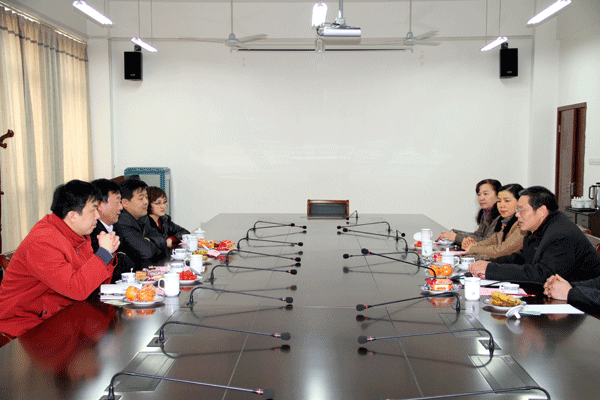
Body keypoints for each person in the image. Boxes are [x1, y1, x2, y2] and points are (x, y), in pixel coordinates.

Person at [0, 180, 119, 339]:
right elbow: (76, 288)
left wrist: (107, 255)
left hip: (60, 315)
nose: (98, 216)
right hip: (26, 325)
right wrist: (103, 254)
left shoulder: (78, 236)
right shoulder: (43, 242)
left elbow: (92, 287)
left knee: (111, 334)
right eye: (93, 210)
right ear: (73, 216)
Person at [469, 186, 600, 283]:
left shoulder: (560, 234)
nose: (517, 215)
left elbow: (544, 275)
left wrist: (492, 270)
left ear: (542, 211)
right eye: (517, 210)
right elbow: (523, 258)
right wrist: (489, 264)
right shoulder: (540, 226)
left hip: (578, 303)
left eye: (522, 210)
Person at [114, 179, 167, 269]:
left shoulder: (143, 217)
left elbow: (162, 239)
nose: (146, 202)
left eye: (146, 197)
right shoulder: (122, 222)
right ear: (125, 203)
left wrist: (148, 241)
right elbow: (146, 252)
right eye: (141, 198)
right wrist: (151, 243)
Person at [462, 183, 525, 258]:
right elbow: (492, 241)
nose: (501, 205)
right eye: (499, 201)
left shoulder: (522, 224)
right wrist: (473, 244)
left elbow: (501, 251)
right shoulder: (504, 221)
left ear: (520, 202)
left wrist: (473, 248)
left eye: (507, 201)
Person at [91, 179, 136, 282]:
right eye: (117, 202)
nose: (121, 207)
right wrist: (120, 256)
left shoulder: (116, 226)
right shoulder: (91, 232)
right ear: (99, 205)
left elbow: (134, 257)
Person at [437, 179, 502, 246]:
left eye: (486, 194)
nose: (481, 198)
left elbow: (486, 242)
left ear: (498, 195)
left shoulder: (501, 217)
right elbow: (478, 235)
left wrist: (456, 237)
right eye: (479, 194)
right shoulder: (485, 213)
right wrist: (455, 233)